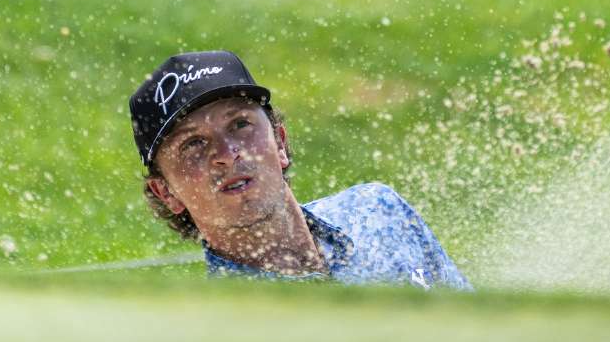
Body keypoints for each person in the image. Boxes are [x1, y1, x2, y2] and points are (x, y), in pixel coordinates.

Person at [129, 50, 472, 289]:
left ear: (279, 142)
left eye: (239, 124)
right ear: (167, 192)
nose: (227, 154)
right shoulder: (227, 327)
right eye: (193, 144)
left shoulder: (379, 209)